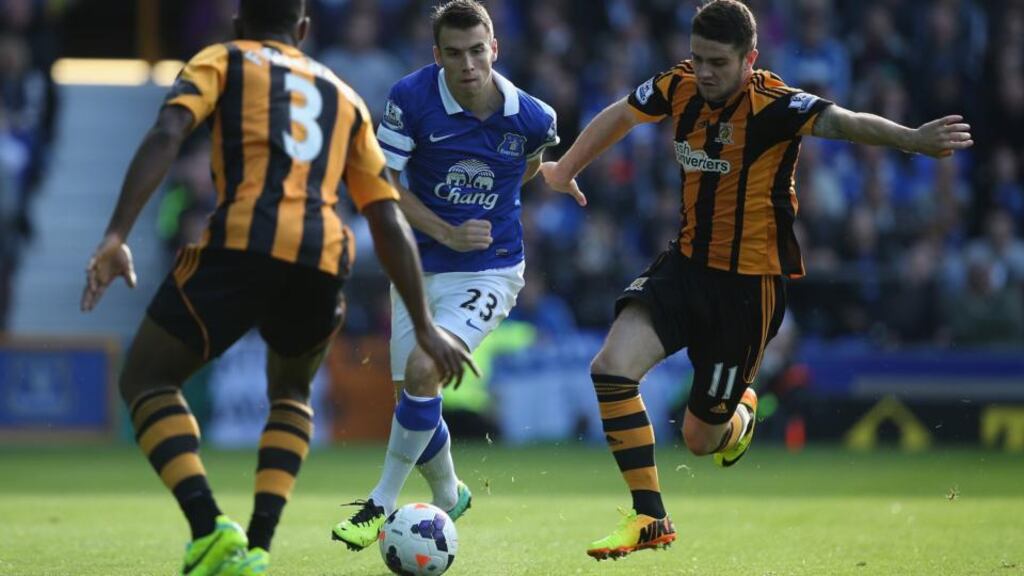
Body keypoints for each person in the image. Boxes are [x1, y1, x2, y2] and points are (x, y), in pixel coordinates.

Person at [540, 0, 973, 561]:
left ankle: (742, 409)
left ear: (751, 60)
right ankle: (651, 517)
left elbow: (844, 123)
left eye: (719, 62)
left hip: (747, 291)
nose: (705, 72)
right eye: (698, 58)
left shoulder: (774, 104)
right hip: (687, 265)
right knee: (610, 369)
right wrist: (567, 167)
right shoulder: (680, 85)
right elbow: (622, 113)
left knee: (701, 441)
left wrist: (912, 140)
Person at [79, 1, 475, 574]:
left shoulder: (222, 58)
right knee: (290, 393)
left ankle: (208, 526)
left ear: (240, 25)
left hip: (243, 241)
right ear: (305, 31)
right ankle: (259, 546)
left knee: (147, 377)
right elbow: (386, 217)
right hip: (322, 257)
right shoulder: (342, 96)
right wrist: (424, 323)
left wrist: (117, 233)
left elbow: (169, 129)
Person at [331, 0, 580, 552]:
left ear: (495, 48)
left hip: (491, 270)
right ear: (437, 55)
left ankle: (380, 501)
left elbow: (531, 164)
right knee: (413, 401)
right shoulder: (411, 98)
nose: (468, 64)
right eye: (455, 54)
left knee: (424, 369)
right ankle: (449, 494)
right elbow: (388, 185)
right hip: (417, 267)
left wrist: (530, 193)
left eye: (477, 51)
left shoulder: (533, 116)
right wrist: (445, 231)